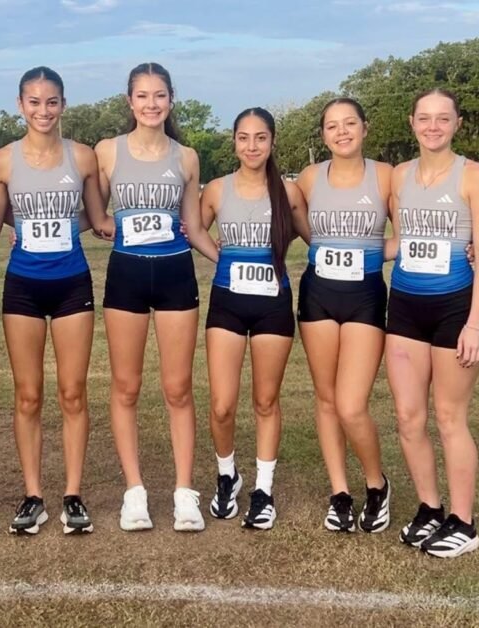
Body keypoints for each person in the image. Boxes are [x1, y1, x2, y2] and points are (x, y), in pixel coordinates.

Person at [0, 66, 114, 536]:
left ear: (63, 105)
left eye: (52, 101)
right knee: (28, 394)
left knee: (73, 392)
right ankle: (33, 494)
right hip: (22, 285)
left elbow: (97, 219)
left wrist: (155, 223)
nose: (44, 110)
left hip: (72, 284)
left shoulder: (81, 158)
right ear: (21, 104)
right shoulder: (1, 161)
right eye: (34, 102)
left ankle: (73, 495)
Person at [94, 62, 219, 532]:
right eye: (143, 96)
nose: (151, 104)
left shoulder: (185, 157)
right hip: (126, 276)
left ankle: (185, 493)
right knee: (126, 387)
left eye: (159, 95)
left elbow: (192, 226)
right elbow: (91, 210)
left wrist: (227, 259)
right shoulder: (107, 151)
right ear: (130, 102)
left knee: (177, 388)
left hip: (175, 276)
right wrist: (41, 232)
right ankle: (134, 493)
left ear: (171, 100)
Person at [387, 88, 479, 558]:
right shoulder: (398, 176)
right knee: (409, 418)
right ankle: (430, 508)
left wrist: (474, 323)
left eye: (443, 118)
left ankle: (463, 523)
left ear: (457, 123)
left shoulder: (474, 176)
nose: (433, 126)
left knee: (450, 418)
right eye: (425, 118)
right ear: (412, 122)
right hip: (405, 307)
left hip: (456, 308)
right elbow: (400, 241)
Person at [201, 107, 308, 530]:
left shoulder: (290, 192)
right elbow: (191, 228)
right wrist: (220, 256)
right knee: (223, 404)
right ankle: (227, 476)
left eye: (260, 138)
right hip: (227, 303)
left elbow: (320, 239)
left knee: (265, 401)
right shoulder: (216, 190)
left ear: (272, 142)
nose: (252, 146)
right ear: (234, 142)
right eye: (244, 138)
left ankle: (263, 489)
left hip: (273, 305)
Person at [295, 98, 393, 534]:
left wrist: (371, 252)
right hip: (318, 295)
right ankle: (339, 492)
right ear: (323, 135)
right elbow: (283, 216)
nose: (341, 132)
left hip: (365, 295)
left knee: (352, 405)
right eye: (332, 126)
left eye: (349, 123)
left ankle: (377, 485)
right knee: (326, 398)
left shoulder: (387, 176)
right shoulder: (311, 177)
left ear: (364, 128)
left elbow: (408, 236)